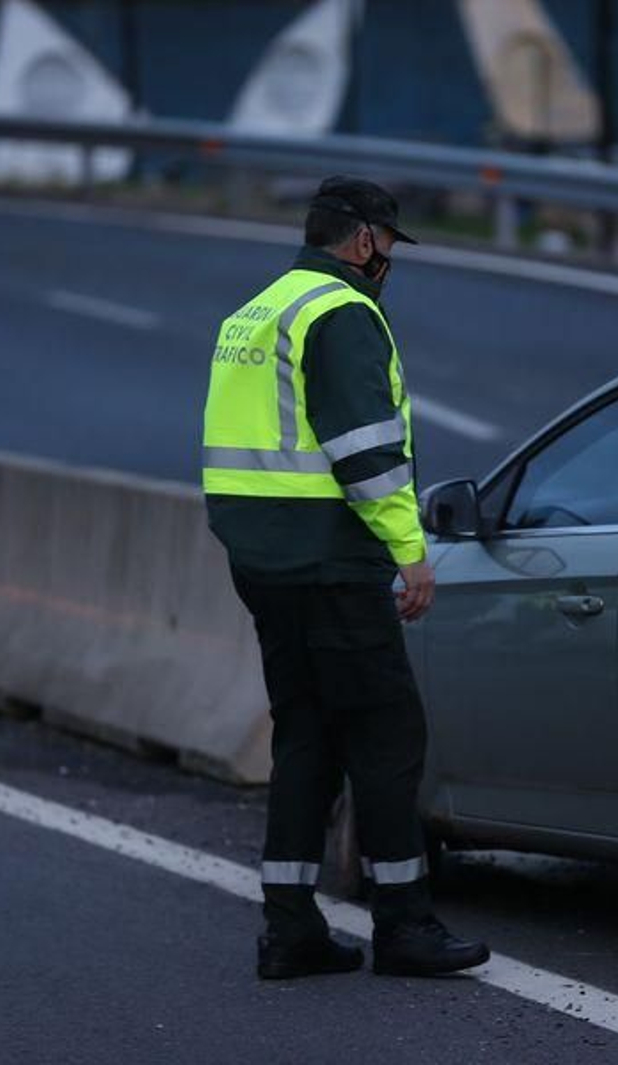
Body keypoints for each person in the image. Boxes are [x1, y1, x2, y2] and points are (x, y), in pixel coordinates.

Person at [202, 175, 489, 980]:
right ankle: (403, 925)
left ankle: (289, 927)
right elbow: (367, 453)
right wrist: (410, 552)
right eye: (390, 245)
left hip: (262, 561)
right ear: (364, 240)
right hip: (332, 560)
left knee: (307, 737)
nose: (390, 260)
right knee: (387, 736)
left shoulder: (255, 312)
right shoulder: (344, 312)